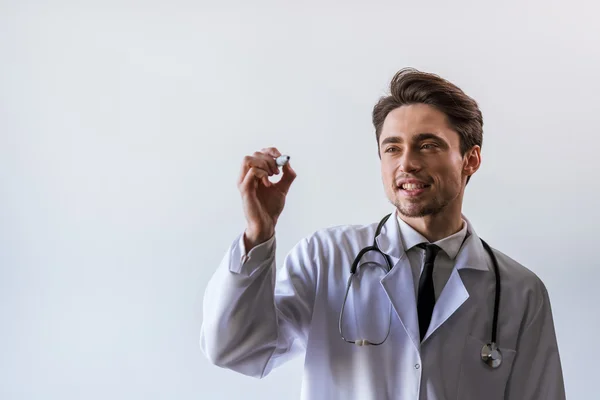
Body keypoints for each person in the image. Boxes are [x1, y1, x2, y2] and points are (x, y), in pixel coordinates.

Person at [199, 68, 566, 400]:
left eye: (427, 145)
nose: (407, 163)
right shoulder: (327, 257)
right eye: (392, 148)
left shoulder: (520, 291)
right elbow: (235, 350)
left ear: (470, 159)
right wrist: (258, 233)